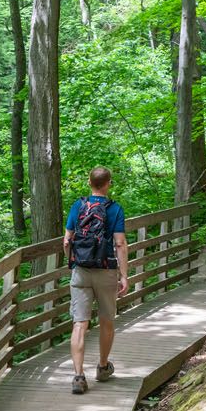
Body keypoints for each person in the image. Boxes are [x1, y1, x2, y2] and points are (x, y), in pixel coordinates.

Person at [63, 167, 129, 394]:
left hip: (81, 271)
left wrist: (72, 263)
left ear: (89, 182)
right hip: (106, 270)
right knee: (106, 320)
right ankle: (102, 367)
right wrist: (123, 274)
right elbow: (119, 243)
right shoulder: (115, 209)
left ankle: (78, 376)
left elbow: (66, 240)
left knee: (80, 323)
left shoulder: (78, 206)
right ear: (108, 183)